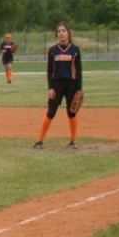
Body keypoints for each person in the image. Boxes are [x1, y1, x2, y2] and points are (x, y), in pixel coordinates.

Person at [33, 22, 82, 150]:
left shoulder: (75, 50)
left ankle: (73, 141)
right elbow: (49, 71)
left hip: (71, 84)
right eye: (59, 31)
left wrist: (79, 89)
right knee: (51, 112)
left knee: (71, 113)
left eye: (63, 30)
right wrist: (50, 87)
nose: (61, 33)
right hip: (57, 85)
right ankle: (40, 140)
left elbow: (79, 71)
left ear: (68, 33)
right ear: (56, 34)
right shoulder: (53, 51)